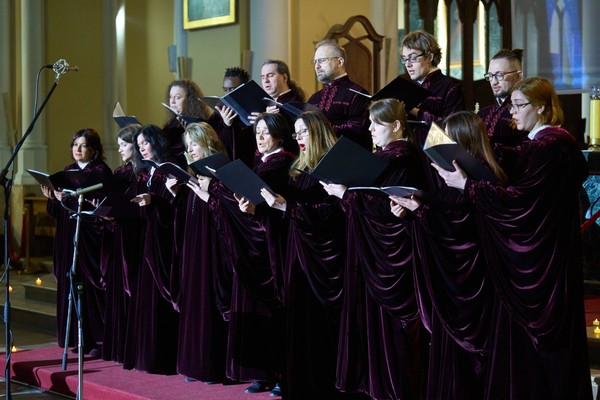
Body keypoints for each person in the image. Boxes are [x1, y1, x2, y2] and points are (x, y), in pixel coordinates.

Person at [433, 78, 593, 399]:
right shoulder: (540, 144)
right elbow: (519, 163)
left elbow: (522, 201)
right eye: (511, 105)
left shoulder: (553, 145)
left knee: (542, 354)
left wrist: (469, 186)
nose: (512, 113)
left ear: (542, 108)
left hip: (544, 266)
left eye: (519, 106)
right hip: (546, 258)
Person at [391, 111, 507, 399]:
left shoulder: (482, 176)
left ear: (461, 141)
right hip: (451, 283)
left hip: (473, 284)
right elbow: (445, 214)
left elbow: (463, 229)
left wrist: (422, 211)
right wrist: (412, 213)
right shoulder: (452, 176)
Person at [321, 98, 429, 399]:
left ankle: (392, 389)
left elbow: (387, 208)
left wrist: (346, 194)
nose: (369, 129)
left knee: (391, 330)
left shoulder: (401, 158)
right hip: (377, 253)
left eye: (376, 124)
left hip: (389, 259)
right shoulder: (392, 156)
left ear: (395, 126)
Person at [259, 110, 348, 399]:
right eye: (296, 133)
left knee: (318, 327)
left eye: (303, 133)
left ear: (318, 133)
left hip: (325, 262)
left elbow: (334, 214)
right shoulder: (298, 167)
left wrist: (288, 208)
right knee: (298, 323)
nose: (298, 138)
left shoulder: (334, 165)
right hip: (298, 252)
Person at [165, 122, 230, 383]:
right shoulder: (192, 171)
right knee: (194, 300)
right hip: (194, 246)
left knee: (210, 302)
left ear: (208, 143)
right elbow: (186, 214)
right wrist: (176, 196)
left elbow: (230, 210)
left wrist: (209, 195)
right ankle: (195, 363)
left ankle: (213, 366)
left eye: (195, 144)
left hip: (213, 248)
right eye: (188, 145)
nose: (190, 150)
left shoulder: (222, 170)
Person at [41, 128, 112, 357]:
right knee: (69, 282)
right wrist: (53, 198)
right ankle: (75, 337)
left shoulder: (100, 171)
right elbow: (57, 212)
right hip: (68, 236)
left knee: (89, 288)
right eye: (75, 145)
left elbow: (101, 207)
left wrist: (72, 200)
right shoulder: (68, 171)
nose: (78, 150)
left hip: (89, 239)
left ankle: (96, 341)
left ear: (94, 149)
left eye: (83, 145)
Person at [122, 124, 179, 374]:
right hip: (147, 240)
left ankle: (162, 358)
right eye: (140, 144)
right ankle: (146, 355)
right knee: (145, 297)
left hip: (165, 244)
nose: (142, 148)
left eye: (146, 143)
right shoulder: (146, 173)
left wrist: (155, 201)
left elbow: (175, 208)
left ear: (156, 142)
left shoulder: (170, 169)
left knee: (160, 300)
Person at [100, 124, 141, 363]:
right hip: (119, 234)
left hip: (136, 236)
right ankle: (118, 345)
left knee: (131, 286)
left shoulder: (140, 172)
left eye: (124, 144)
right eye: (118, 144)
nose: (120, 149)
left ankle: (132, 346)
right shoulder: (119, 171)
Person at [400, 30, 465, 146]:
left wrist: (415, 111)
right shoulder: (408, 86)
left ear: (429, 57)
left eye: (413, 58)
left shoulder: (450, 86)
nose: (408, 64)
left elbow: (454, 129)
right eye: (404, 59)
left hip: (436, 154)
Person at [307, 39, 371, 150]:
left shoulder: (358, 94)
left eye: (321, 60)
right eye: (315, 62)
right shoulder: (314, 98)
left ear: (340, 62)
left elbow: (357, 129)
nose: (317, 66)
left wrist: (322, 128)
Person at [477, 48, 529, 146]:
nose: (494, 81)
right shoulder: (482, 114)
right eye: (490, 76)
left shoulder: (526, 112)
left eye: (499, 75)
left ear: (518, 76)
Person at [163, 79, 214, 168]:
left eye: (178, 97)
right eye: (171, 97)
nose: (173, 102)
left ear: (190, 100)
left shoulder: (199, 123)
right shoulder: (172, 123)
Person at [213, 66, 257, 167]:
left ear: (244, 88)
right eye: (225, 90)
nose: (227, 94)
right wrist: (226, 125)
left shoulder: (255, 110)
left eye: (232, 89)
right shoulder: (218, 113)